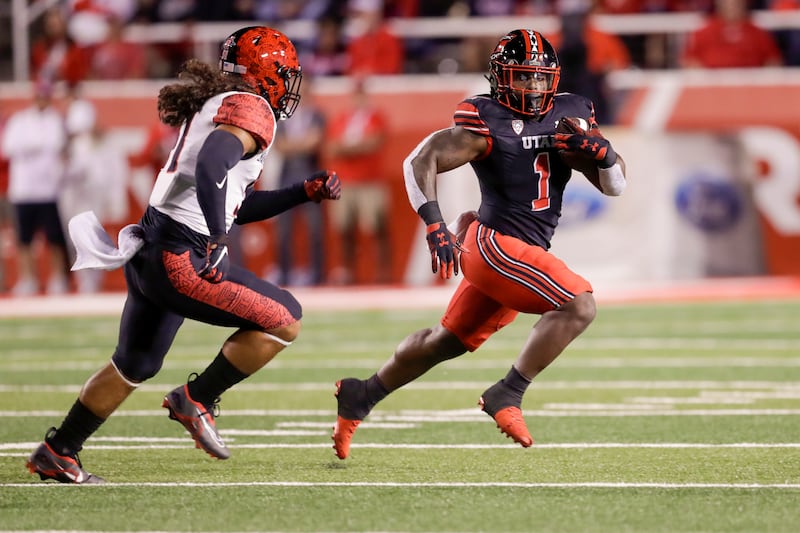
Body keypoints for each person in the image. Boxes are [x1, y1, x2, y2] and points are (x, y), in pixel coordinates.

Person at [25, 26, 341, 484]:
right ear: (265, 72)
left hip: (153, 246)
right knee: (285, 318)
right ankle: (197, 397)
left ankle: (59, 450)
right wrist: (217, 240)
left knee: (134, 365)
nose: (291, 83)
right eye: (285, 72)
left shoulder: (220, 105)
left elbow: (231, 200)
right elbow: (214, 165)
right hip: (180, 253)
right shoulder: (253, 108)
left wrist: (301, 192)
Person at [331, 29, 627, 459]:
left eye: (541, 79)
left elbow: (615, 186)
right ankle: (508, 391)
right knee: (579, 305)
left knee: (445, 340)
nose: (534, 88)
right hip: (494, 245)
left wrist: (602, 154)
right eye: (524, 78)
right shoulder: (485, 119)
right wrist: (433, 224)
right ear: (501, 78)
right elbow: (420, 160)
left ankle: (363, 393)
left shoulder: (571, 113)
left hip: (522, 252)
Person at [0, 80, 71, 296]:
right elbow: (8, 148)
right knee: (24, 239)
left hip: (48, 189)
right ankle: (27, 279)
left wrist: (32, 147)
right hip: (23, 189)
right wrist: (39, 147)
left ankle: (58, 278)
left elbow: (57, 144)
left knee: (54, 238)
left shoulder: (55, 120)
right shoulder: (20, 120)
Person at [325, 77, 390, 285]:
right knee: (345, 229)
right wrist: (356, 147)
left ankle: (382, 271)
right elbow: (331, 147)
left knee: (376, 227)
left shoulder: (376, 117)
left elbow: (373, 143)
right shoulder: (342, 118)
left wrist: (348, 148)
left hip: (370, 181)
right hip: (346, 181)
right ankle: (348, 271)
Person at [272, 78, 328, 286]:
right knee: (284, 229)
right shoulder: (283, 117)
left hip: (310, 176)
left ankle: (317, 274)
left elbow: (314, 143)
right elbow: (280, 146)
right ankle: (284, 273)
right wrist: (301, 144)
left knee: (315, 228)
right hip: (287, 177)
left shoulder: (317, 115)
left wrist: (294, 146)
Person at [681, 0, 783, 68]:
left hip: (750, 88)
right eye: (727, 2)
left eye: (736, 2)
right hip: (712, 89)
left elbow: (773, 61)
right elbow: (689, 61)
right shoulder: (703, 32)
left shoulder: (758, 33)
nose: (731, 6)